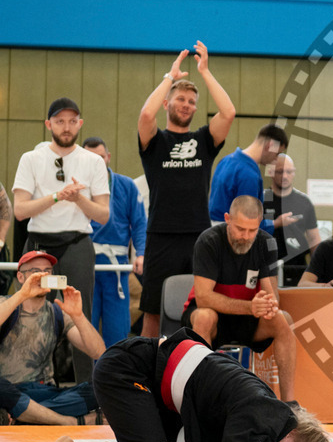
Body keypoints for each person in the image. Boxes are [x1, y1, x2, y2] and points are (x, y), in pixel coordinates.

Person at [16, 328, 333, 442]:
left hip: (157, 388)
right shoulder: (261, 410)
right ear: (293, 436)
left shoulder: (268, 415)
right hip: (126, 370)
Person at [137, 41, 235, 338]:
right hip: (161, 235)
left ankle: (195, 372)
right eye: (180, 99)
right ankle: (145, 377)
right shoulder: (155, 141)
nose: (186, 105)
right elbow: (145, 116)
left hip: (198, 237)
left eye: (192, 102)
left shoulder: (204, 140)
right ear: (167, 103)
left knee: (199, 311)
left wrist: (204, 71)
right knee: (153, 314)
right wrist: (171, 77)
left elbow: (228, 112)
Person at [12, 97, 109, 383]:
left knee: (80, 316)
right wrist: (56, 196)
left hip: (77, 246)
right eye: (59, 121)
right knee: (32, 315)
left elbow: (103, 215)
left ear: (80, 123)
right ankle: (30, 385)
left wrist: (78, 198)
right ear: (48, 124)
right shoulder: (31, 159)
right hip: (39, 249)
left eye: (71, 121)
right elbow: (20, 211)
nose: (66, 127)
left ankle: (87, 390)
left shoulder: (93, 162)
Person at [182, 196, 296, 403]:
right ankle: (200, 398)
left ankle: (290, 403)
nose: (245, 236)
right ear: (227, 219)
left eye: (252, 231)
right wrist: (251, 307)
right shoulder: (209, 241)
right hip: (214, 317)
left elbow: (272, 294)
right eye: (240, 229)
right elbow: (204, 298)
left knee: (282, 319)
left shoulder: (266, 243)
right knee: (204, 317)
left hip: (247, 317)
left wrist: (269, 304)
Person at [0, 251, 105, 424]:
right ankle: (69, 421)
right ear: (20, 277)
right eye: (35, 271)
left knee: (100, 389)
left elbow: (98, 352)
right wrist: (22, 295)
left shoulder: (57, 312)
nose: (42, 276)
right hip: (8, 390)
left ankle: (25, 418)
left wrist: (78, 316)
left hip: (43, 393)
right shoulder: (5, 303)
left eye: (47, 271)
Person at [82, 137, 146, 348]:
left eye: (100, 157)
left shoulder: (126, 186)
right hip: (84, 262)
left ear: (108, 157)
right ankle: (87, 380)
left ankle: (115, 378)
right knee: (84, 328)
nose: (96, 163)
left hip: (116, 265)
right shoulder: (75, 190)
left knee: (117, 328)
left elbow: (139, 224)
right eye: (90, 158)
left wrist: (141, 254)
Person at [207, 124, 290, 234]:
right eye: (277, 153)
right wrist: (276, 223)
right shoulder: (249, 175)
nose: (276, 159)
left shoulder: (226, 160)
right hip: (231, 237)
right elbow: (248, 223)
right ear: (270, 146)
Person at [269, 154, 321, 287]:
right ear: (271, 172)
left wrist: (319, 267)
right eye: (280, 171)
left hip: (297, 266)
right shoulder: (261, 199)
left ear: (294, 173)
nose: (284, 176)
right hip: (267, 265)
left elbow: (314, 239)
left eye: (289, 172)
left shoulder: (304, 202)